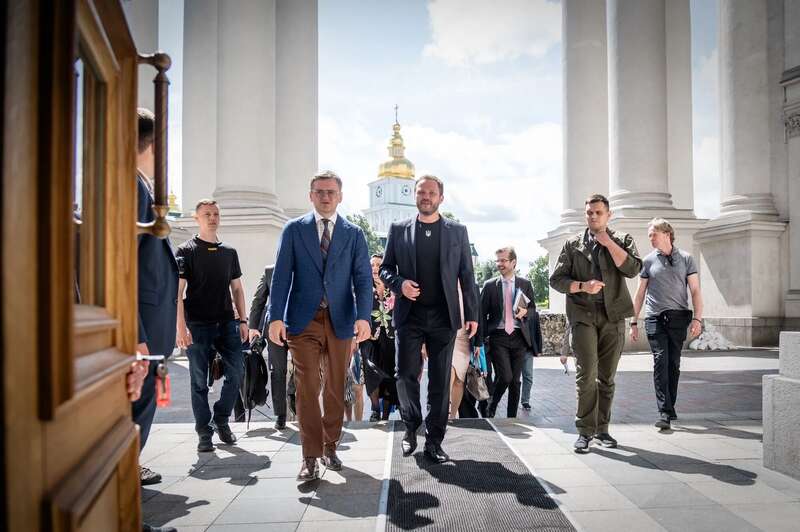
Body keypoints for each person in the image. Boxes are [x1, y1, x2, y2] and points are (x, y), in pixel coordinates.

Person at [268, 170, 372, 482]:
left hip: (341, 320)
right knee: (307, 386)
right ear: (310, 195)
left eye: (330, 192)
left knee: (336, 388)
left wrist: (364, 316)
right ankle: (310, 457)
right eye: (319, 192)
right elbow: (281, 276)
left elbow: (363, 279)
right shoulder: (293, 230)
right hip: (303, 321)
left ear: (340, 196)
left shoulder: (353, 234)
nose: (325, 197)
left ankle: (330, 446)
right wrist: (275, 316)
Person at [380, 174, 478, 464]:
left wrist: (471, 314)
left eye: (431, 193)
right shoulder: (398, 230)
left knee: (439, 382)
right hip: (409, 317)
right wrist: (400, 285)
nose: (425, 196)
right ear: (416, 196)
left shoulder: (457, 231)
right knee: (404, 374)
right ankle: (411, 427)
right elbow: (385, 269)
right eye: (421, 192)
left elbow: (467, 275)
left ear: (440, 198)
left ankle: (434, 441)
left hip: (444, 318)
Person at [550, 194, 642, 453]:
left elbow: (633, 269)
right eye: (589, 212)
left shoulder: (622, 240)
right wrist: (582, 286)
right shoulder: (572, 244)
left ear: (608, 215)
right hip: (583, 316)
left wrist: (609, 243)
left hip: (613, 317)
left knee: (607, 377)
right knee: (586, 374)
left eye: (598, 212)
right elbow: (556, 280)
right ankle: (584, 431)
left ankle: (603, 429)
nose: (592, 216)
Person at [175, 200, 247, 452]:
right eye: (207, 214)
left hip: (227, 322)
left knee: (237, 372)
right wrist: (180, 328)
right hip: (197, 325)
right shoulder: (185, 250)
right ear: (197, 218)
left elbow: (237, 289)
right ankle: (204, 433)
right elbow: (178, 292)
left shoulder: (229, 252)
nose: (213, 218)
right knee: (198, 382)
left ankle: (221, 418)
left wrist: (244, 320)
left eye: (216, 213)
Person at [131, 108, 179, 487]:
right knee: (137, 404)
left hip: (149, 326)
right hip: (142, 328)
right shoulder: (132, 187)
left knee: (143, 403)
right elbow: (122, 268)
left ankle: (129, 470)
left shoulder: (141, 186)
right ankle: (125, 477)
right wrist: (137, 333)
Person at [631, 218, 703, 430]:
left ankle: (669, 406)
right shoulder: (647, 262)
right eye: (649, 234)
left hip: (678, 317)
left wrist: (698, 318)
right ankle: (663, 410)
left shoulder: (687, 259)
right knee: (660, 360)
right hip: (655, 319)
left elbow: (696, 291)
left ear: (666, 234)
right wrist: (634, 321)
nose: (650, 238)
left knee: (674, 364)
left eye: (653, 233)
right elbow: (639, 293)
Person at [480, 246, 536, 418]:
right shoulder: (489, 286)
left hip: (520, 337)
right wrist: (479, 340)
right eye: (498, 260)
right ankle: (492, 404)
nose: (499, 264)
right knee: (505, 376)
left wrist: (526, 312)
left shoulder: (525, 284)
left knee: (515, 382)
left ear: (513, 262)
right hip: (498, 336)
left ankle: (511, 418)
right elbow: (481, 314)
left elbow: (533, 309)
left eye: (503, 260)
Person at [247, 265, 291, 430]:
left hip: (300, 328)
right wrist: (253, 327)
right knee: (278, 371)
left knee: (304, 370)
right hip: (274, 330)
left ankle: (300, 406)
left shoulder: (305, 264)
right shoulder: (270, 270)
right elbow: (258, 299)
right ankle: (281, 415)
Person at [361, 254, 399, 421]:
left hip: (390, 338)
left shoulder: (394, 289)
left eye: (378, 265)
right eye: (373, 265)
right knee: (372, 373)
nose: (375, 268)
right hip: (369, 338)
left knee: (389, 376)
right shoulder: (363, 287)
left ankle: (384, 415)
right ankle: (375, 409)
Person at [449, 283, 482, 419]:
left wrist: (478, 343)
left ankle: (453, 416)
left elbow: (478, 314)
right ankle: (444, 411)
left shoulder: (473, 286)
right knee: (448, 373)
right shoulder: (443, 279)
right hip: (446, 336)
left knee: (459, 380)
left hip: (465, 338)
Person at [521, 307, 544, 410]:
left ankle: (525, 400)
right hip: (514, 348)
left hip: (528, 349)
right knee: (511, 378)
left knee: (528, 376)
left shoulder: (533, 313)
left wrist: (538, 349)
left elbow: (537, 331)